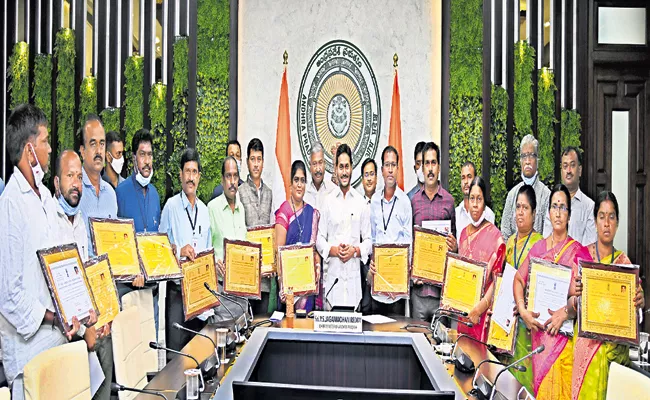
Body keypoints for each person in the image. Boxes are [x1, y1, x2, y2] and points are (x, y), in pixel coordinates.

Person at [0, 105, 94, 400]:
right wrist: (55, 318)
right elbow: (9, 294)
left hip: (56, 344)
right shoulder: (11, 205)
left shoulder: (44, 199)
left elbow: (57, 268)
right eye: (45, 141)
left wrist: (78, 310)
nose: (50, 148)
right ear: (29, 151)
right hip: (30, 354)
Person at [513, 184, 590, 399]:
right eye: (554, 206)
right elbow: (518, 280)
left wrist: (566, 312)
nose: (558, 212)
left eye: (563, 207)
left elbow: (587, 298)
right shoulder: (538, 250)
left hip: (564, 346)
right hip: (539, 344)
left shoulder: (579, 253)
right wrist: (522, 310)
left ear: (569, 214)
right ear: (548, 212)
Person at [572, 191, 644, 400]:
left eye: (611, 217)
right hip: (586, 354)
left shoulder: (624, 264)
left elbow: (635, 315)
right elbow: (568, 305)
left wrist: (640, 302)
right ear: (595, 222)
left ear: (617, 223)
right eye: (602, 217)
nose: (606, 223)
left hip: (614, 357)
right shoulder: (582, 258)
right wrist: (575, 298)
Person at [52, 150, 112, 400]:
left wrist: (102, 315)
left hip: (86, 322)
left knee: (107, 348)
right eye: (69, 176)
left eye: (79, 177)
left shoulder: (79, 222)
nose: (76, 184)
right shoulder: (49, 222)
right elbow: (56, 288)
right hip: (63, 331)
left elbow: (87, 274)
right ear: (56, 183)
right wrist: (83, 331)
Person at [76, 114, 117, 400]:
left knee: (105, 386)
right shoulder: (75, 194)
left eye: (102, 144)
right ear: (81, 151)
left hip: (109, 307)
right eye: (93, 144)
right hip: (85, 313)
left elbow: (118, 253)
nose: (99, 150)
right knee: (83, 390)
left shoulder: (112, 195)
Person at [159, 148, 212, 352]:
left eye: (194, 172)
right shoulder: (171, 207)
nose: (190, 177)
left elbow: (207, 249)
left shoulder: (205, 211)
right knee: (176, 357)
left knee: (198, 353)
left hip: (199, 294)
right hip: (177, 294)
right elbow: (159, 250)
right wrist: (179, 251)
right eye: (187, 172)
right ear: (180, 174)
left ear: (199, 176)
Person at [499, 184, 544, 394]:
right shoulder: (509, 243)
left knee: (526, 385)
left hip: (528, 327)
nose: (520, 212)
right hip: (507, 322)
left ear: (534, 214)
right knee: (506, 381)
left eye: (525, 208)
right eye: (518, 207)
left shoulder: (540, 244)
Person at [317, 144, 371, 309]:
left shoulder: (361, 203)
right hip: (333, 286)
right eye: (341, 167)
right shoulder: (327, 201)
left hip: (354, 289)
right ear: (335, 169)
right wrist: (333, 251)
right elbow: (319, 239)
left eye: (347, 167)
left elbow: (369, 241)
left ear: (352, 168)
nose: (344, 172)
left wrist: (355, 251)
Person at [410, 141, 458, 321]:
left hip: (440, 295)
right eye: (426, 163)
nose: (430, 168)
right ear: (421, 168)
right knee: (417, 345)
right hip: (419, 293)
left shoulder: (449, 201)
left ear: (439, 167)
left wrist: (454, 246)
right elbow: (410, 244)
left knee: (441, 346)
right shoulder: (413, 202)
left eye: (433, 163)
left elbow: (454, 248)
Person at [457, 176, 505, 341]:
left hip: (483, 315)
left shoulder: (496, 237)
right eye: (472, 199)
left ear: (485, 202)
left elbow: (497, 281)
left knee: (480, 362)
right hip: (462, 313)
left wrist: (480, 307)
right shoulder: (463, 234)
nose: (475, 204)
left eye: (479, 199)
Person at [366, 146, 413, 315]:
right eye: (387, 165)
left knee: (397, 336)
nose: (391, 169)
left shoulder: (405, 202)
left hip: (396, 291)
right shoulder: (374, 201)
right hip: (377, 287)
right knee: (376, 336)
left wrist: (401, 275)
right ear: (382, 169)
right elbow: (370, 238)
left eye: (394, 165)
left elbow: (409, 244)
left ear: (398, 169)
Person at [274, 160, 321, 312]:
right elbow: (279, 254)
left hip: (307, 285)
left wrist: (317, 264)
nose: (299, 185)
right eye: (296, 180)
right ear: (290, 183)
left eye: (303, 180)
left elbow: (314, 250)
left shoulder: (311, 212)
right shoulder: (284, 211)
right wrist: (286, 288)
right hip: (290, 289)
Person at [238, 139, 275, 314]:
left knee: (261, 323)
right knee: (245, 326)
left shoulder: (269, 193)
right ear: (247, 162)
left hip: (265, 278)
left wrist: (271, 264)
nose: (256, 164)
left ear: (263, 162)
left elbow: (272, 231)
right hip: (246, 274)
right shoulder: (240, 191)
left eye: (259, 159)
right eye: (252, 159)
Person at [501, 134, 551, 240]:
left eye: (531, 155)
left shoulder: (546, 195)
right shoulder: (512, 194)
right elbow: (505, 233)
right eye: (524, 156)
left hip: (538, 253)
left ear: (537, 159)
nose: (527, 161)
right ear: (520, 160)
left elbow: (548, 236)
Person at [543, 147, 596, 245]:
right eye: (565, 166)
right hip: (553, 258)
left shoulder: (589, 206)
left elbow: (589, 247)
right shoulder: (551, 204)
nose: (568, 170)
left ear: (579, 170)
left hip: (579, 259)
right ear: (561, 170)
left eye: (572, 165)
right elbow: (547, 239)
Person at [208, 156, 247, 272]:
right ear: (222, 180)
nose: (232, 181)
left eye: (235, 176)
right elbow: (205, 249)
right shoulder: (212, 208)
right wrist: (214, 263)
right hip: (220, 284)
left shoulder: (241, 209)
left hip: (240, 281)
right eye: (228, 176)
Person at [455, 161, 495, 234]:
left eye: (469, 177)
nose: (466, 182)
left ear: (475, 179)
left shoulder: (488, 214)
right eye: (463, 178)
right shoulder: (456, 213)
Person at [304, 143, 335, 212]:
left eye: (320, 163)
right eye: (314, 164)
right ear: (310, 166)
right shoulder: (303, 192)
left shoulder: (333, 191)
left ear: (325, 164)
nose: (318, 169)